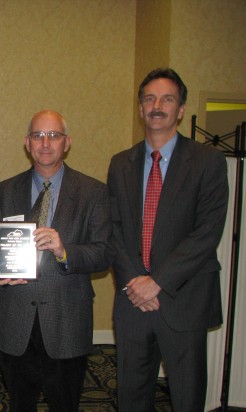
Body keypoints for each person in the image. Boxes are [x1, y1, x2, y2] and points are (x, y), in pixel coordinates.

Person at [108, 68, 229, 411]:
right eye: (149, 98)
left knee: (188, 398)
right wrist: (136, 281)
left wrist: (157, 282)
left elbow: (207, 232)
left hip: (184, 299)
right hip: (133, 301)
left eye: (167, 99)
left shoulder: (208, 161)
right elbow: (113, 228)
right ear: (140, 108)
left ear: (180, 109)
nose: (157, 105)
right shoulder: (120, 164)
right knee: (131, 396)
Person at [0, 110, 111, 411]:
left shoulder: (93, 192)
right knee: (20, 404)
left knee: (64, 405)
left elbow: (103, 253)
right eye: (38, 135)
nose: (45, 143)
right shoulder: (3, 191)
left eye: (53, 135)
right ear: (27, 143)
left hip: (66, 322)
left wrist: (64, 250)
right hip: (15, 321)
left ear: (66, 142)